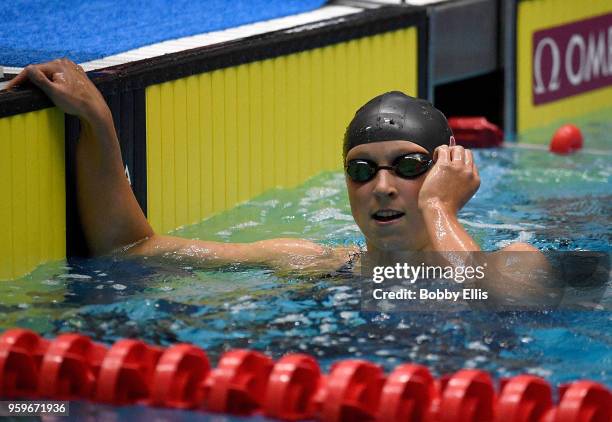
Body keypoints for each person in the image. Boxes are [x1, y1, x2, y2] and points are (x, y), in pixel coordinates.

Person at [7, 59, 542, 280]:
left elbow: (474, 305)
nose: (382, 187)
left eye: (407, 166)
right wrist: (99, 123)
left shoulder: (519, 263)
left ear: (446, 169)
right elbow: (131, 250)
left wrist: (439, 207)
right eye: (361, 170)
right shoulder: (317, 265)